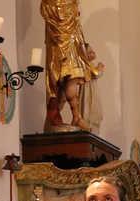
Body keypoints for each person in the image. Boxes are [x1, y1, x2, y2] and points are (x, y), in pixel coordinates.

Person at [40, 0, 100, 132]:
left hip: (71, 30)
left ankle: (59, 118)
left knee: (70, 77)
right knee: (65, 77)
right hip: (61, 29)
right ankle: (71, 117)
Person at [78, 43, 104, 135]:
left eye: (93, 51)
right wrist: (100, 70)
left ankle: (94, 130)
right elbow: (96, 74)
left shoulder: (90, 65)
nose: (94, 53)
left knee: (96, 109)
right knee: (88, 107)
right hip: (88, 89)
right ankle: (87, 127)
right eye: (90, 52)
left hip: (94, 88)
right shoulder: (85, 65)